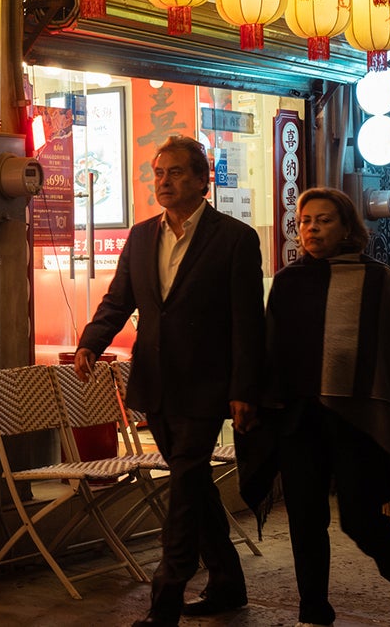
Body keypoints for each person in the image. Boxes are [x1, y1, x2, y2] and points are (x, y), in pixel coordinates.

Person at [73, 135, 265, 627]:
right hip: (156, 384)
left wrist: (245, 388)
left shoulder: (235, 239)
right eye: (159, 173)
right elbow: (120, 300)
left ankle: (165, 600)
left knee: (183, 489)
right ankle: (227, 583)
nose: (165, 181)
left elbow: (248, 322)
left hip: (207, 386)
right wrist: (91, 342)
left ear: (204, 181)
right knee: (194, 483)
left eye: (177, 172)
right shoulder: (141, 237)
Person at [240, 187, 390, 627]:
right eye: (305, 221)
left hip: (358, 420)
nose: (312, 228)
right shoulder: (288, 282)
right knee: (304, 519)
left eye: (324, 220)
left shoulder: (376, 280)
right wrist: (256, 399)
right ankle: (313, 613)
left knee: (359, 519)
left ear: (348, 227)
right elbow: (271, 350)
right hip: (300, 418)